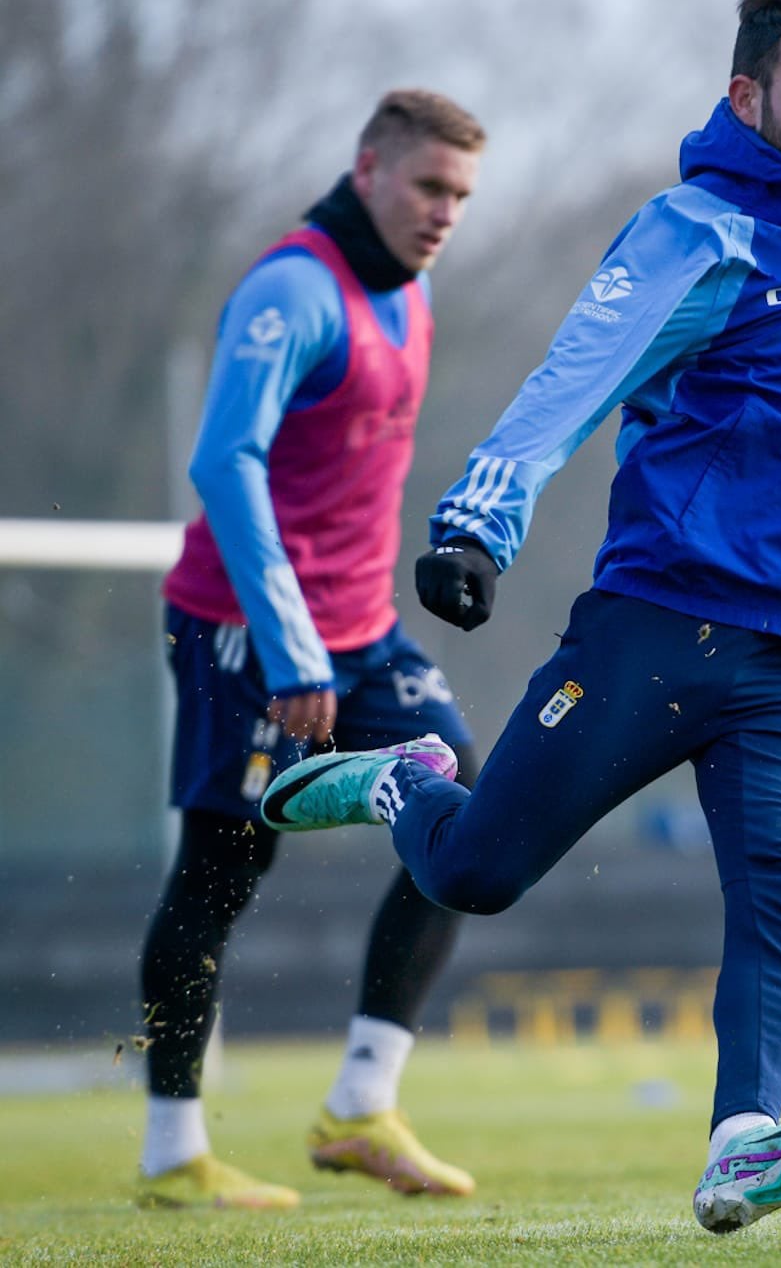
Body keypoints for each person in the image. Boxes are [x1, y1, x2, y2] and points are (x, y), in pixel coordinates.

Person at [259, 0, 781, 1235]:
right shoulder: (698, 228)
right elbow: (581, 369)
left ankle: (741, 1142)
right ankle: (405, 780)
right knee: (477, 873)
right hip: (663, 623)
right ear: (747, 93)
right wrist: (477, 520)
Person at [141, 91, 486, 1209]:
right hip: (245, 629)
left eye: (461, 196)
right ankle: (171, 1150)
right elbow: (225, 465)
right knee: (223, 868)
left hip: (358, 629)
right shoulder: (293, 291)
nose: (444, 213)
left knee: (467, 803)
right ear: (370, 167)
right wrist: (292, 649)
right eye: (430, 187)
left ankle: (359, 1104)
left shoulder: (415, 292)